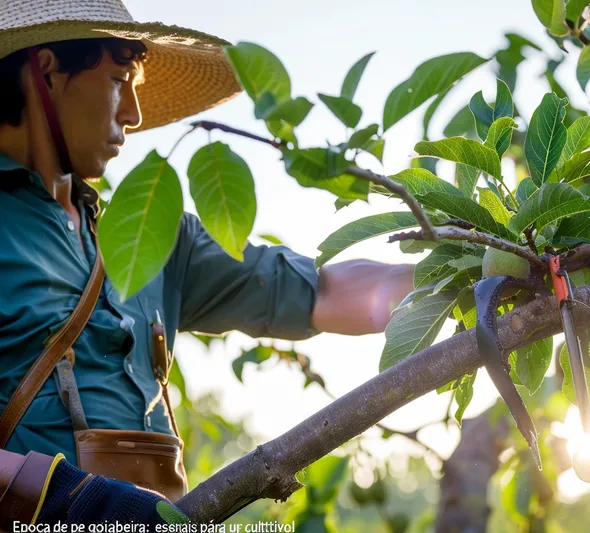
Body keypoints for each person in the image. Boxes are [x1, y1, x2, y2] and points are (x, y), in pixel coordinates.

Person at [0, 0, 414, 526]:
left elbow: (320, 292)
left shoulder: (150, 235)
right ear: (47, 69)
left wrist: (461, 274)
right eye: (117, 79)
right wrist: (68, 501)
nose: (134, 113)